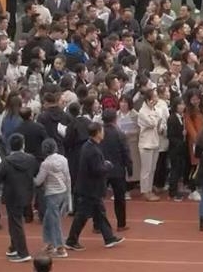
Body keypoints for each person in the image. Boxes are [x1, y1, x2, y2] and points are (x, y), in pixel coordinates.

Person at [65, 122, 125, 251]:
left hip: (89, 188)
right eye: (102, 131)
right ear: (97, 133)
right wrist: (107, 165)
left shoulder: (89, 146)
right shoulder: (93, 150)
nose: (103, 133)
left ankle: (109, 238)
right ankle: (71, 240)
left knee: (98, 213)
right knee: (82, 216)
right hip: (90, 189)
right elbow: (97, 170)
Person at [0, 133, 38, 263]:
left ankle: (23, 252)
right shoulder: (31, 159)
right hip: (26, 194)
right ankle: (14, 247)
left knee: (16, 223)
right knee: (14, 222)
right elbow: (35, 172)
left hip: (12, 195)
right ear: (23, 145)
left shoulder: (6, 161)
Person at [33, 138, 71, 258]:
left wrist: (30, 179)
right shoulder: (63, 159)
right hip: (62, 191)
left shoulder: (46, 164)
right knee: (48, 219)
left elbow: (38, 181)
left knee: (54, 221)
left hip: (52, 194)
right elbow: (67, 177)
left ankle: (60, 248)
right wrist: (68, 194)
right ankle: (50, 243)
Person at [100, 109, 132, 231]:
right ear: (115, 119)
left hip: (102, 169)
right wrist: (129, 167)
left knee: (99, 198)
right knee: (120, 198)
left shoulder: (99, 132)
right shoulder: (120, 134)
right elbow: (126, 152)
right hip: (117, 169)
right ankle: (121, 224)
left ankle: (98, 225)